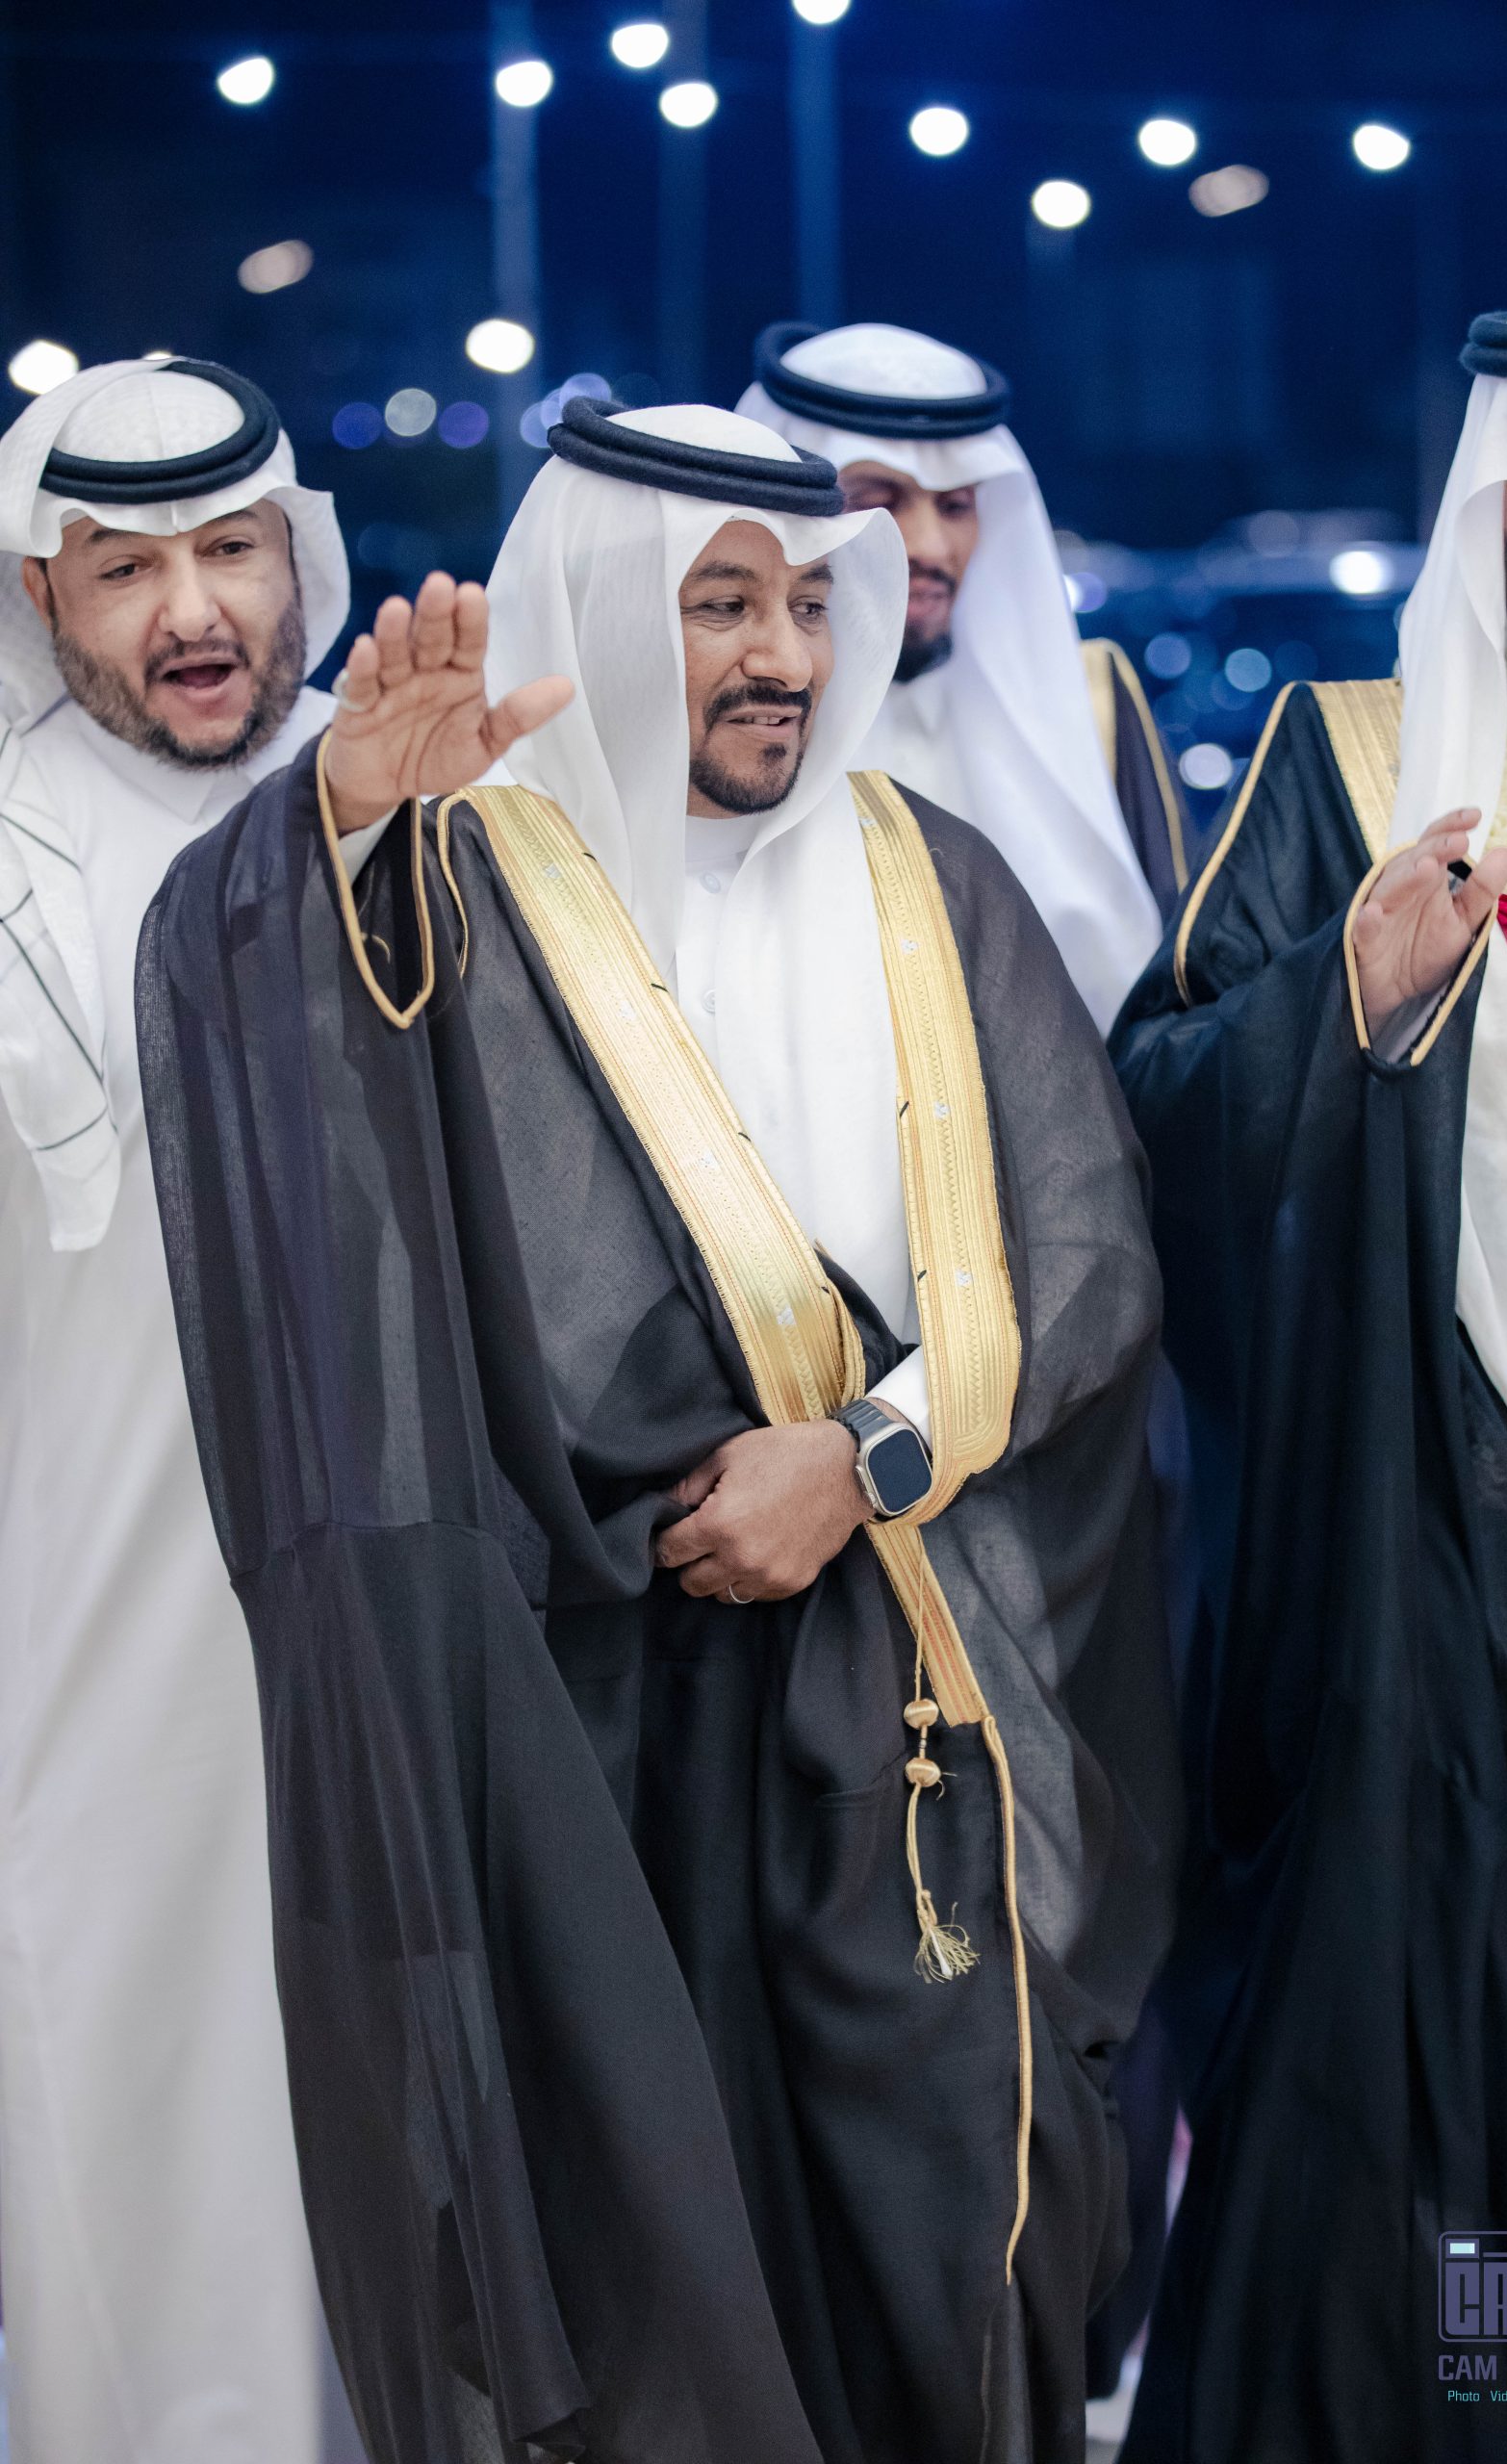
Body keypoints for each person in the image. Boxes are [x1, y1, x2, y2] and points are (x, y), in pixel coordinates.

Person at [137, 398, 1181, 2464]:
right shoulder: (459, 873)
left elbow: (1084, 1254)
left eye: (806, 604)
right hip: (591, 1722)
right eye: (720, 605)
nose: (781, 655)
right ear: (610, 610)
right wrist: (334, 834)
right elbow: (286, 1098)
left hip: (908, 1696)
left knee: (942, 2244)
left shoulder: (927, 874)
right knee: (652, 2276)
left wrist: (859, 1457)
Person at [1110, 281, 1507, 2463]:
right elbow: (1150, 1121)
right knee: (1448, 2112)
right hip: (1415, 1584)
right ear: (1486, 495)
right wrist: (1334, 989)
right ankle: (1495, 2420)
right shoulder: (1350, 768)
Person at [0, 358, 360, 2461]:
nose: (194, 610)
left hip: (410, 1610)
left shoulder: (409, 790)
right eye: (126, 570)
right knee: (142, 2112)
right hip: (101, 1620)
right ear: (38, 595)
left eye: (230, 550)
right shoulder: (10, 839)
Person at [739, 321, 1173, 1025]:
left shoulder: (1093, 707)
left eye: (956, 507)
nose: (930, 547)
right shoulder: (719, 725)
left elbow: (1175, 1020)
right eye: (879, 500)